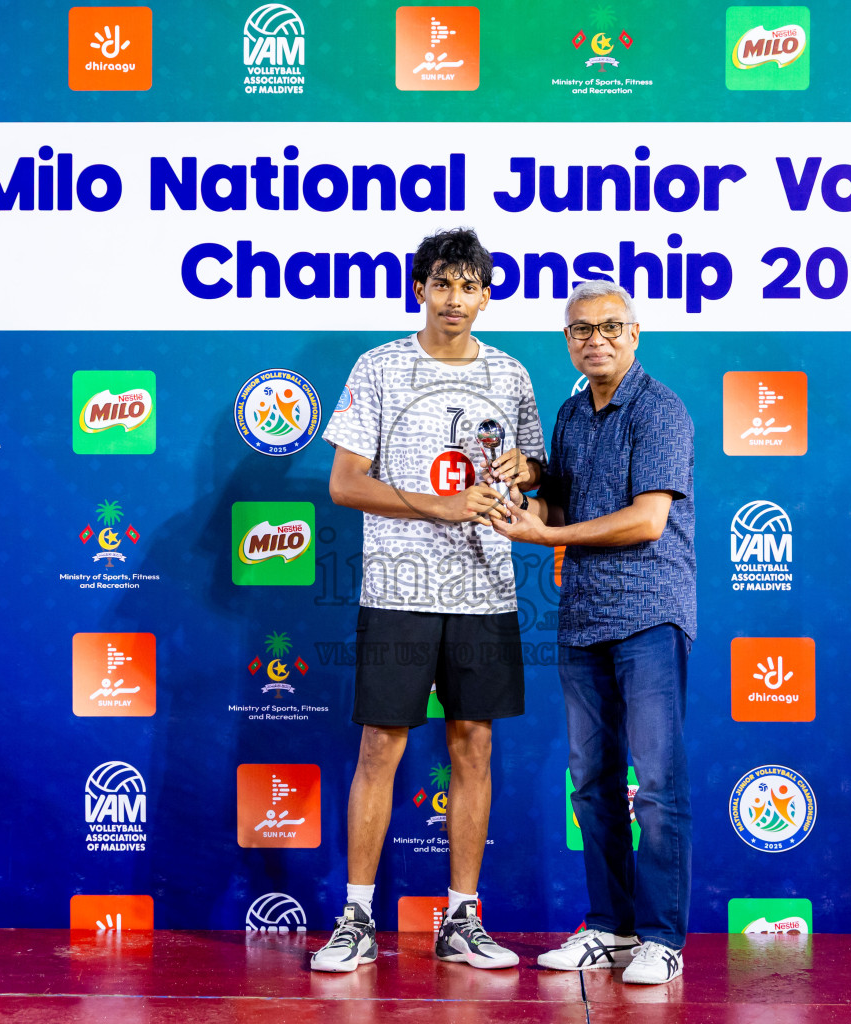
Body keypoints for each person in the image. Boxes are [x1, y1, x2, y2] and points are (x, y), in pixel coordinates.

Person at [310, 228, 545, 973]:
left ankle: (462, 919)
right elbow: (345, 483)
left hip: (486, 590)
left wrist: (527, 469)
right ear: (420, 289)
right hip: (398, 586)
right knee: (381, 745)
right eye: (441, 284)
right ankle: (355, 917)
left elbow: (535, 472)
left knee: (473, 744)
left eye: (469, 285)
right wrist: (431, 506)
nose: (455, 299)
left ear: (486, 294)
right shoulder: (379, 368)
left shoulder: (510, 375)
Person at [492, 280, 695, 985]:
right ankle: (610, 929)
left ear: (635, 335)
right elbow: (562, 497)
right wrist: (529, 477)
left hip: (649, 616)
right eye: (580, 329)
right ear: (568, 341)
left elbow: (645, 520)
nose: (595, 338)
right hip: (582, 618)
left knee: (659, 788)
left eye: (611, 326)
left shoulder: (661, 409)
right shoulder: (572, 411)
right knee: (592, 786)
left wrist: (548, 530)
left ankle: (662, 939)